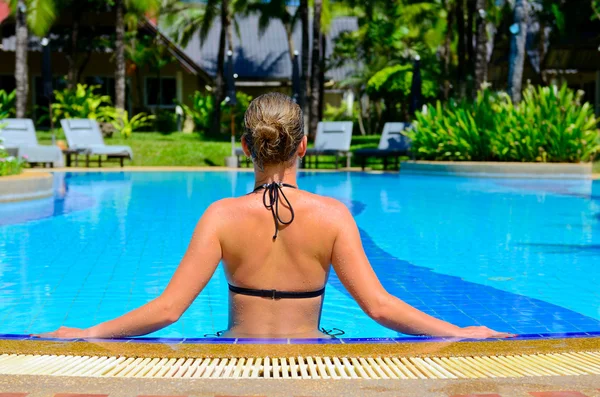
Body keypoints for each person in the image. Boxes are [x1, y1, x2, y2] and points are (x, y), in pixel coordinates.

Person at [39, 93, 512, 340]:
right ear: (303, 146)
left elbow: (168, 310)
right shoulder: (332, 217)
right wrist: (460, 331)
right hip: (310, 362)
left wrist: (87, 332)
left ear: (246, 147)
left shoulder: (220, 216)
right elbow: (381, 308)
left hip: (235, 359)